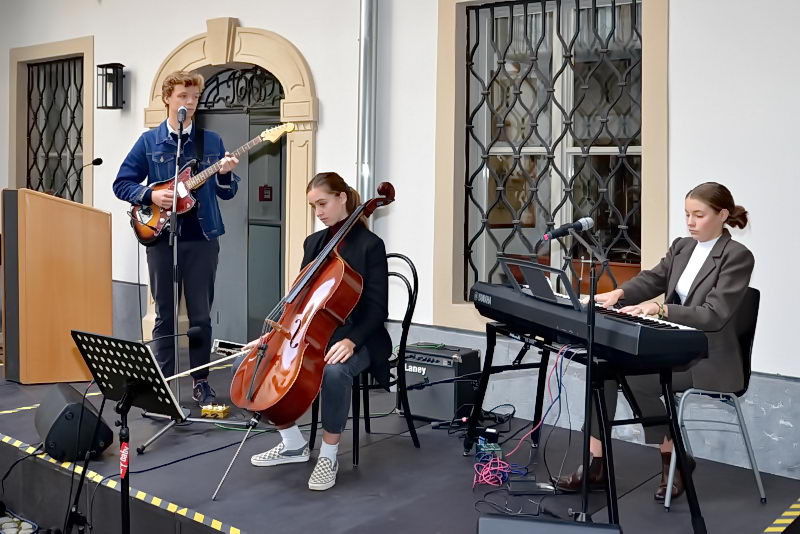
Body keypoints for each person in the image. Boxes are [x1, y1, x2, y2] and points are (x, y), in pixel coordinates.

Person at [555, 182, 754, 501]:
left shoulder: (737, 256)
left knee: (637, 379)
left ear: (722, 215)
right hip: (674, 346)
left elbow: (714, 315)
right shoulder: (682, 247)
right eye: (687, 214)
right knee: (601, 368)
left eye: (699, 215)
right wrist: (619, 293)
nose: (690, 222)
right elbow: (653, 279)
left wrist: (661, 309)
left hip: (709, 358)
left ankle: (672, 459)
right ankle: (595, 464)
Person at [236, 171, 392, 492]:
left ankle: (329, 455)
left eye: (323, 203)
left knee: (334, 371)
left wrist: (351, 341)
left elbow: (378, 310)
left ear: (342, 198)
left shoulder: (370, 246)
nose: (318, 212)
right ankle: (292, 443)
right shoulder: (314, 243)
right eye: (313, 207)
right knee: (252, 365)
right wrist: (273, 336)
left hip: (361, 335)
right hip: (312, 333)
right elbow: (299, 304)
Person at [113, 70, 240, 405]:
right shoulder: (149, 142)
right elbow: (121, 184)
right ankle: (165, 383)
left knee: (200, 317)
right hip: (161, 239)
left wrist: (225, 175)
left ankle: (201, 382)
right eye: (183, 96)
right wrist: (150, 195)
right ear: (168, 98)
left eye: (195, 97)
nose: (190, 103)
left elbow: (227, 192)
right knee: (164, 316)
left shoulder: (211, 142)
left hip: (202, 238)